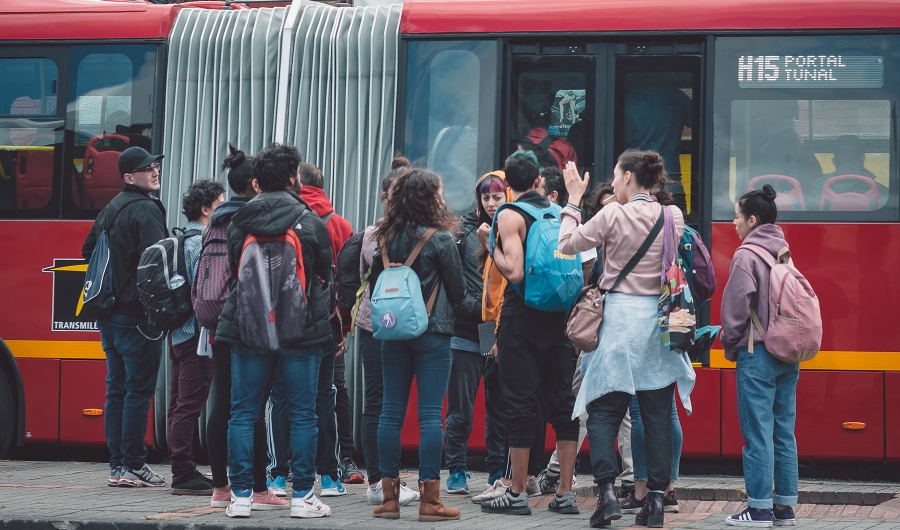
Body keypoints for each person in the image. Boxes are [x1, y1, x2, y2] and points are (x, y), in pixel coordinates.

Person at [557, 152, 695, 528]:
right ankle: (654, 501)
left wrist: (571, 201)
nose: (613, 184)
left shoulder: (612, 214)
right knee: (656, 415)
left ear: (629, 176)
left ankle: (606, 495)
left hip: (618, 321)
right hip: (657, 322)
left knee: (603, 411)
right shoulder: (673, 216)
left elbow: (567, 244)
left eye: (616, 177)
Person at [215, 143, 335, 519]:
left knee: (243, 412)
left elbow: (236, 270)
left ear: (256, 181)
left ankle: (240, 497)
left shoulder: (239, 222)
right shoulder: (310, 221)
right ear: (291, 177)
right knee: (302, 413)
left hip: (248, 327)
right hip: (300, 331)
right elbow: (324, 276)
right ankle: (301, 497)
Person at [479, 150, 580, 517]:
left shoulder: (509, 214)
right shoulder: (556, 211)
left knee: (519, 404)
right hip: (559, 318)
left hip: (522, 319)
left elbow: (515, 271)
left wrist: (491, 244)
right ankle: (565, 493)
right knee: (562, 404)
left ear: (507, 184)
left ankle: (518, 492)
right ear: (539, 181)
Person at [368, 168, 467, 522]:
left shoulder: (384, 237)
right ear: (430, 197)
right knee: (429, 415)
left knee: (390, 413)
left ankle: (389, 499)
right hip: (433, 333)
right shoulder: (440, 240)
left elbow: (376, 287)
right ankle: (430, 501)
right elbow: (458, 293)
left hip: (392, 333)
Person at [206, 145, 287, 510]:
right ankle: (255, 488)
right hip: (249, 324)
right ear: (256, 183)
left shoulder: (216, 220)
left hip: (217, 324)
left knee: (222, 403)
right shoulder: (252, 219)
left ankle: (221, 488)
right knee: (250, 406)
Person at [82, 146, 168, 488]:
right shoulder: (146, 209)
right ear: (129, 177)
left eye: (155, 166)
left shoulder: (111, 208)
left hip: (109, 314)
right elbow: (156, 262)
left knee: (116, 389)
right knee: (137, 391)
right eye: (147, 169)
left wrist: (116, 280)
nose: (155, 171)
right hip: (137, 316)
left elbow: (88, 250)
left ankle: (118, 467)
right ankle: (134, 464)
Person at [721, 185, 798, 528]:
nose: (733, 222)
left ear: (752, 219)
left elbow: (735, 311)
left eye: (736, 216)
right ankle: (784, 508)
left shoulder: (746, 254)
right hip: (788, 352)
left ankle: (759, 509)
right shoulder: (783, 250)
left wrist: (729, 343)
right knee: (783, 432)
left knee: (757, 434)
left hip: (758, 353)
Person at [355, 157, 420, 507]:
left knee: (385, 404)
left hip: (382, 323)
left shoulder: (377, 233)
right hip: (386, 326)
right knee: (380, 403)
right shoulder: (378, 233)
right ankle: (379, 480)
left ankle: (384, 479)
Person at [444, 171, 509, 495]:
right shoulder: (464, 231)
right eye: (486, 198)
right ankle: (456, 468)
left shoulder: (514, 228)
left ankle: (497, 470)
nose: (491, 203)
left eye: (497, 197)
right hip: (470, 329)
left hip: (496, 331)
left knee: (498, 405)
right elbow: (457, 286)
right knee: (462, 406)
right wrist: (480, 312)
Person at [297, 162, 358, 493]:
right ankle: (341, 462)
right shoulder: (341, 225)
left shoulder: (286, 219)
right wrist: (345, 327)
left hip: (291, 323)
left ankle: (289, 467)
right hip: (330, 324)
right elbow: (347, 283)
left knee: (289, 394)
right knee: (335, 390)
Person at [167, 179, 224, 495]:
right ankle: (183, 474)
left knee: (178, 403)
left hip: (178, 334)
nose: (223, 208)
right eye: (220, 203)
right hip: (196, 337)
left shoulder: (179, 239)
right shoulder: (199, 244)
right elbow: (206, 295)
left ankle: (182, 467)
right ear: (206, 208)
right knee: (189, 405)